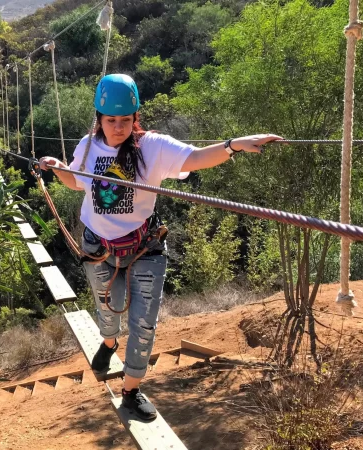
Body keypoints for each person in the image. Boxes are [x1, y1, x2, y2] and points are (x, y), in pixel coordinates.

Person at [39, 74, 282, 421]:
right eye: (111, 120)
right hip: (99, 246)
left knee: (144, 323)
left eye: (126, 120)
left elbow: (196, 158)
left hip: (144, 247)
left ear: (135, 117)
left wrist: (233, 145)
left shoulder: (152, 146)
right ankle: (108, 343)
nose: (118, 127)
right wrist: (56, 168)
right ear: (99, 118)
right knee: (110, 311)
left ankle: (131, 391)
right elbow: (77, 182)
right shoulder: (89, 146)